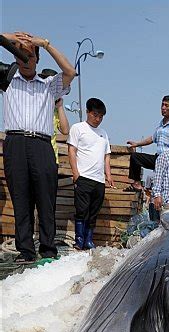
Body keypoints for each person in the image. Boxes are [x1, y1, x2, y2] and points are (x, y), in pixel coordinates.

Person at [1, 31, 75, 263]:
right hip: (15, 143)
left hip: (42, 146)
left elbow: (70, 71)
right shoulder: (8, 80)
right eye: (20, 54)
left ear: (37, 60)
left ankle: (47, 249)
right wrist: (10, 37)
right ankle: (25, 251)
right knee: (20, 199)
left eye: (30, 55)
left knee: (45, 199)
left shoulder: (49, 85)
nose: (24, 59)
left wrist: (45, 44)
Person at [67, 97, 115, 250]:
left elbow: (106, 156)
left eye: (101, 116)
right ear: (87, 112)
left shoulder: (103, 134)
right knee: (82, 211)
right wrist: (75, 173)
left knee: (93, 212)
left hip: (98, 180)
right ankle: (79, 240)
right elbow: (72, 150)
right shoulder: (78, 128)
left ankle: (89, 239)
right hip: (84, 177)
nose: (98, 119)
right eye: (95, 115)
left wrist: (108, 175)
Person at [125, 95, 169, 191]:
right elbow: (152, 139)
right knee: (135, 157)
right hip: (158, 159)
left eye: (166, 106)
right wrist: (137, 144)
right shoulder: (161, 125)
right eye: (162, 105)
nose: (163, 108)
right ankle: (136, 184)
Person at [38, 68, 70, 164]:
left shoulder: (56, 110)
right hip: (36, 153)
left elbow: (65, 130)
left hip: (51, 156)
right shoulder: (37, 104)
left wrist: (60, 107)